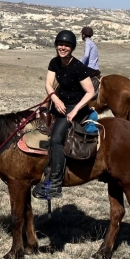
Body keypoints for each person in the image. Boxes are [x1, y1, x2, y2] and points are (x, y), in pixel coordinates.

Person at [32, 30, 95, 200]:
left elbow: (90, 92)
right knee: (38, 125)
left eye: (67, 45)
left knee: (56, 139)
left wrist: (74, 111)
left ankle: (55, 183)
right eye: (60, 44)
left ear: (72, 48)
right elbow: (48, 83)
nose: (63, 47)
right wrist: (54, 98)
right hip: (59, 103)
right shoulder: (54, 62)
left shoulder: (78, 68)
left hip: (75, 106)